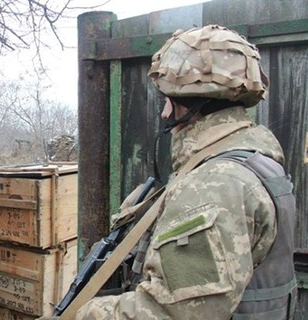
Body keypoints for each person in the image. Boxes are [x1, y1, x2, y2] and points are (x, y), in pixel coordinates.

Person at [59, 25, 297, 320]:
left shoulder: (214, 184)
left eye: (169, 99)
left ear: (193, 101)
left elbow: (171, 313)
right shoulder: (257, 160)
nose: (164, 113)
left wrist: (82, 315)